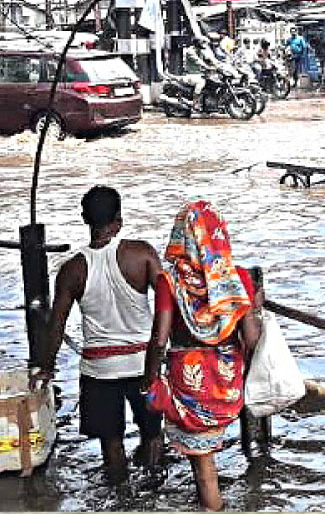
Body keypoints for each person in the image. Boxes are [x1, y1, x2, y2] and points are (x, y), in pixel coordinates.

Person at [32, 186, 163, 484]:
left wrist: (46, 367)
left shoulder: (72, 270)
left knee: (111, 442)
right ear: (119, 220)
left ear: (84, 218)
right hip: (144, 364)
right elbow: (169, 304)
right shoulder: (141, 254)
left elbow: (56, 325)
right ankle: (157, 491)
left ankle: (120, 497)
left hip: (99, 370)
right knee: (153, 433)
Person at [144, 201, 262, 512]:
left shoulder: (169, 281)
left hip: (190, 383)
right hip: (227, 382)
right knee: (205, 463)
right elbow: (251, 339)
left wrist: (150, 378)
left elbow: (159, 339)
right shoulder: (236, 278)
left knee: (203, 468)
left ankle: (214, 507)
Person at [182, 36, 219, 109]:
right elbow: (198, 61)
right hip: (191, 74)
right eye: (202, 43)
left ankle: (207, 101)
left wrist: (219, 64)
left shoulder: (201, 50)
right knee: (201, 82)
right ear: (198, 43)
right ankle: (194, 102)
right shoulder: (190, 51)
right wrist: (207, 67)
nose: (204, 45)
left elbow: (210, 58)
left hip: (199, 73)